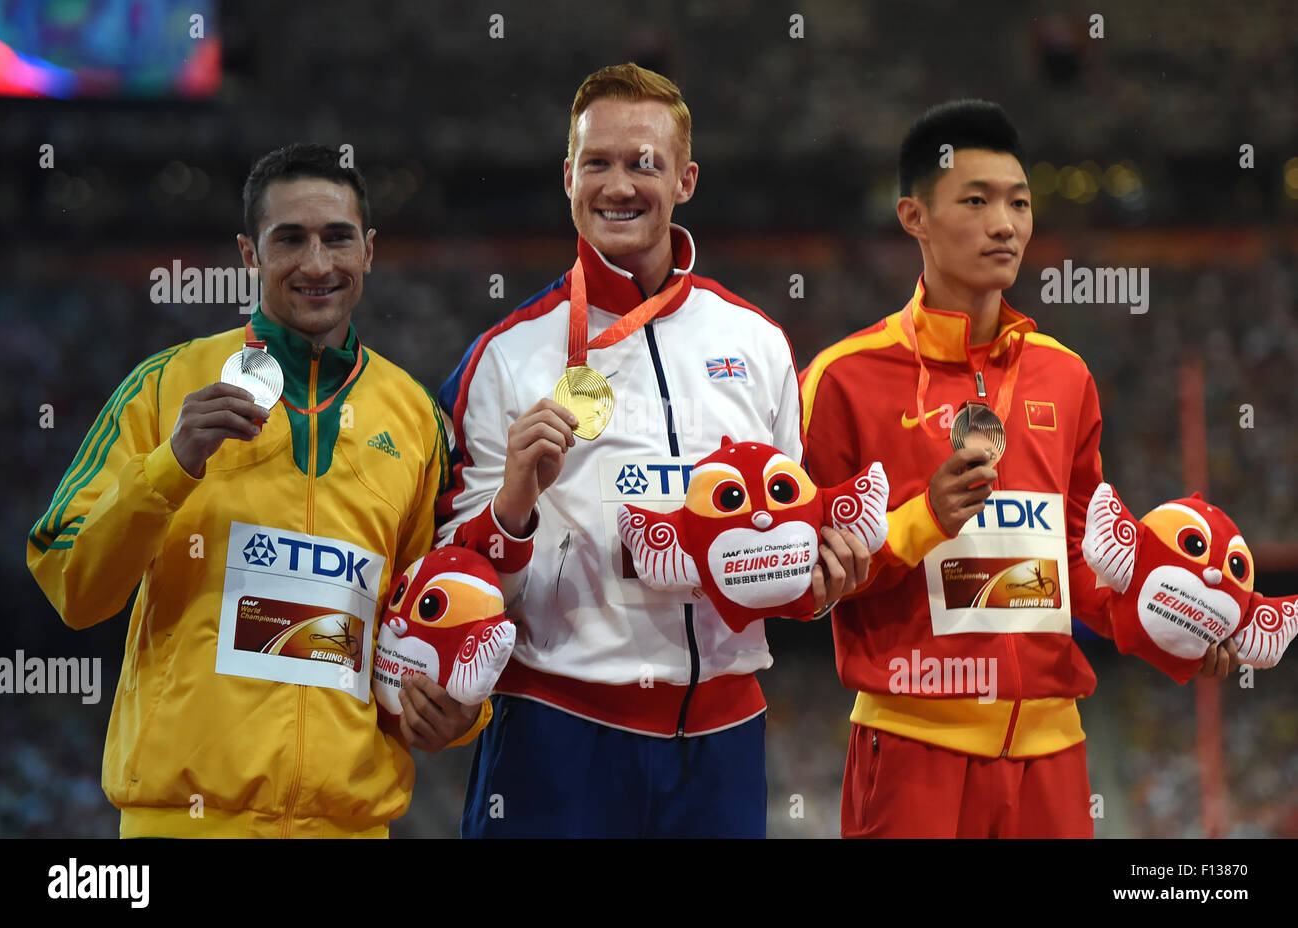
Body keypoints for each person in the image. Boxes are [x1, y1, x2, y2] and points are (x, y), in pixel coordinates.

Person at [435, 62, 871, 838]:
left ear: (686, 179)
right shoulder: (504, 357)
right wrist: (512, 506)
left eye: (645, 163)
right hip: (556, 737)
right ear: (568, 175)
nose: (619, 184)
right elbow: (462, 588)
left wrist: (820, 583)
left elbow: (783, 543)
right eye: (597, 162)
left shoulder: (758, 341)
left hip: (721, 747)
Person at [799, 100, 1235, 838]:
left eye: (1020, 202)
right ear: (915, 216)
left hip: (1052, 753)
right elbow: (807, 578)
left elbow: (1082, 558)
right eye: (976, 200)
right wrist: (922, 519)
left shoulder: (1066, 376)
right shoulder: (842, 379)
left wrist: (1173, 625)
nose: (1006, 224)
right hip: (913, 745)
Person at [27, 143, 485, 838]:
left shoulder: (416, 420)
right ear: (250, 255)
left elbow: (427, 612)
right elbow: (72, 587)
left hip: (349, 827)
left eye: (336, 239)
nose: (315, 264)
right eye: (288, 240)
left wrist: (456, 713)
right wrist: (171, 464)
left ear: (369, 252)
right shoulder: (165, 387)